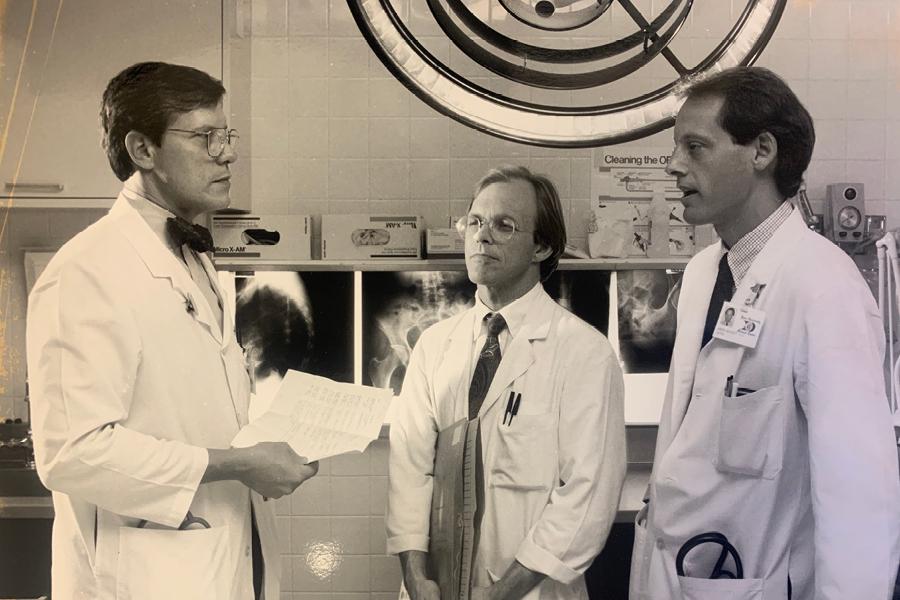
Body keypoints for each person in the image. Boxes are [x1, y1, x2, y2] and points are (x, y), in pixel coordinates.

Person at [26, 62, 318, 600]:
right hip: (146, 575)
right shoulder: (86, 271)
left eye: (226, 135)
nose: (227, 153)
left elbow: (185, 408)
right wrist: (239, 463)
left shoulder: (192, 261)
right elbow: (71, 450)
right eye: (205, 137)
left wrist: (277, 439)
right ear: (143, 151)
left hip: (224, 558)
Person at [629, 66, 900, 599]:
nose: (673, 164)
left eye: (695, 147)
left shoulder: (824, 286)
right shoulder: (705, 271)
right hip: (678, 573)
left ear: (762, 152)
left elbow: (858, 499)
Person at [387, 165, 626, 600]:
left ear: (542, 246)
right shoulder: (434, 347)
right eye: (475, 222)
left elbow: (587, 497)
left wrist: (504, 593)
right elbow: (410, 471)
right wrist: (415, 577)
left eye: (504, 225)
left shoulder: (584, 353)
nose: (482, 236)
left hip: (530, 592)